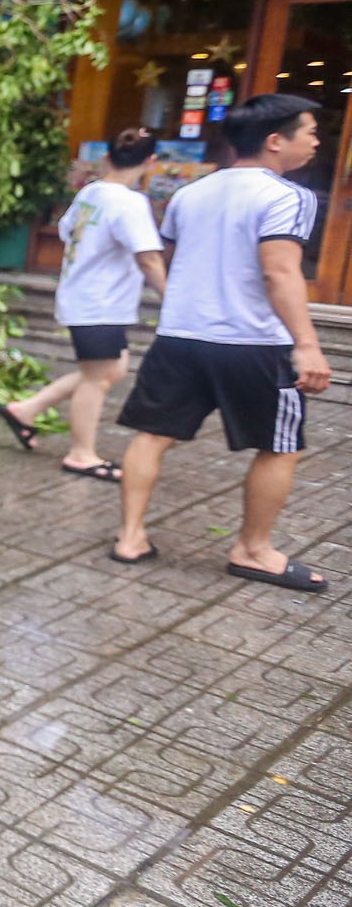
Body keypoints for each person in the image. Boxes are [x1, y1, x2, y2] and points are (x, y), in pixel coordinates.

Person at [111, 93, 332, 590]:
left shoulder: (191, 193)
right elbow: (280, 272)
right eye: (310, 131)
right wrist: (308, 344)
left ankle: (130, 538)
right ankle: (253, 550)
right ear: (276, 141)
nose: (317, 141)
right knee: (279, 447)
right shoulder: (288, 196)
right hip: (252, 342)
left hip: (180, 336)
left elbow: (171, 257)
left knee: (152, 436)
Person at [0, 126, 166, 479]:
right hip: (99, 304)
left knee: (112, 370)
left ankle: (26, 410)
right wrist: (172, 299)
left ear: (108, 157)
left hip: (86, 297)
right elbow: (148, 258)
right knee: (97, 378)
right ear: (150, 162)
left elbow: (64, 231)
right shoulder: (131, 203)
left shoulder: (91, 193)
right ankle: (81, 454)